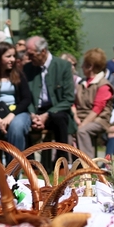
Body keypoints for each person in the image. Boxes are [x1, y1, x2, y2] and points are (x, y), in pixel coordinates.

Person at [24, 36, 76, 164]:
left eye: (31, 54)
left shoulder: (63, 66)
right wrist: (33, 115)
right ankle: (30, 165)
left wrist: (47, 115)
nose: (28, 58)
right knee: (22, 120)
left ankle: (61, 163)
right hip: (35, 111)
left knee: (60, 118)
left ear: (43, 52)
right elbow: (25, 96)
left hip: (55, 110)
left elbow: (68, 98)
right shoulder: (27, 69)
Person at [73, 48, 114, 156]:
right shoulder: (81, 83)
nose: (81, 67)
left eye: (84, 64)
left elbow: (97, 109)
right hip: (80, 117)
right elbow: (74, 103)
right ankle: (68, 162)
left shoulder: (103, 85)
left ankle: (88, 163)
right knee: (66, 129)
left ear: (90, 66)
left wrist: (82, 124)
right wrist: (75, 118)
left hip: (99, 119)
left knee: (83, 131)